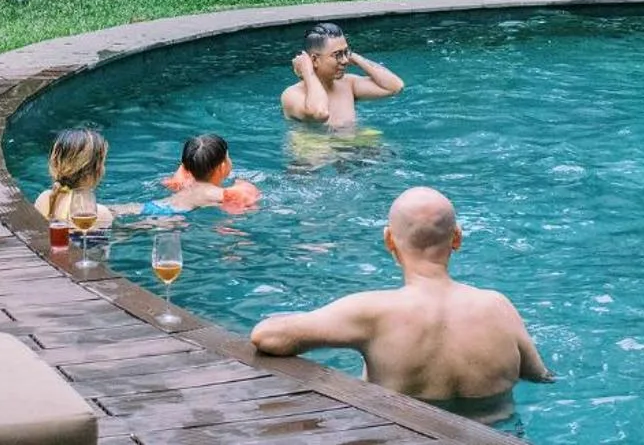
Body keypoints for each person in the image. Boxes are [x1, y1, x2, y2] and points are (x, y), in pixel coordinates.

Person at [249, 187, 553, 417]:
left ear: (389, 240)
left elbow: (267, 337)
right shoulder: (498, 307)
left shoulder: (372, 312)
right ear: (457, 238)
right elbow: (540, 377)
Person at [282, 23, 404, 127]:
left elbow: (395, 87)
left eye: (346, 52)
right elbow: (320, 113)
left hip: (353, 147)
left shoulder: (348, 84)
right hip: (322, 151)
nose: (345, 60)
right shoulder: (292, 95)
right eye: (337, 54)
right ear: (314, 60)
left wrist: (356, 58)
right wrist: (307, 71)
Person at [160, 133, 262, 213]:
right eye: (228, 157)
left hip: (157, 206)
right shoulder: (222, 195)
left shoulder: (184, 185)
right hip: (174, 217)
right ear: (222, 167)